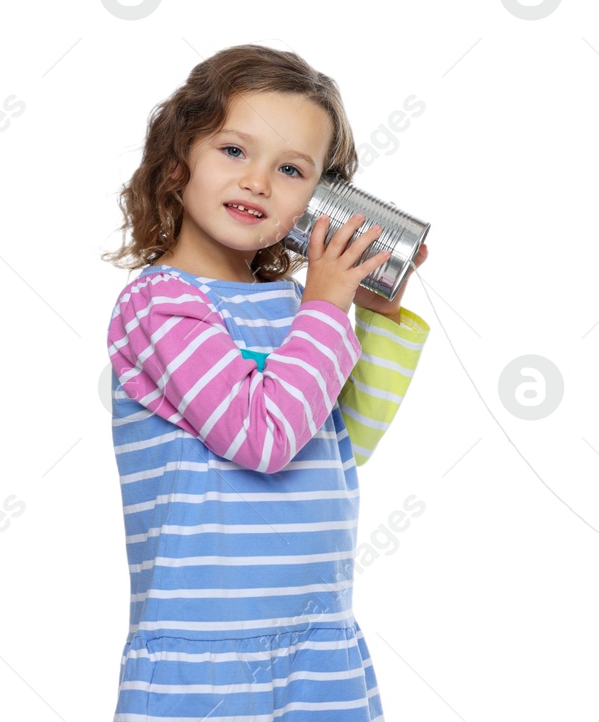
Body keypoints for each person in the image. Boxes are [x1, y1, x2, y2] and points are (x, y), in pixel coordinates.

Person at [100, 43, 432, 719]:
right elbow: (263, 436)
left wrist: (367, 308)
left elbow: (345, 440)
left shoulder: (296, 307)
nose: (257, 181)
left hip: (317, 641)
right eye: (233, 151)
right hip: (208, 655)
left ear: (320, 200)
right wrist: (325, 307)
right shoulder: (161, 303)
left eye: (290, 169)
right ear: (176, 164)